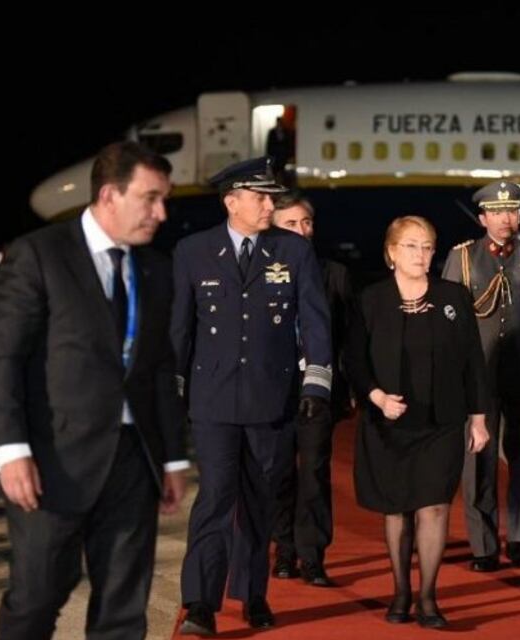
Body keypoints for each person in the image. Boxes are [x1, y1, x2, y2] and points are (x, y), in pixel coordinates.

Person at [0, 141, 187, 639]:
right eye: (151, 198)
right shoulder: (40, 255)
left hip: (134, 462)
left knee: (123, 606)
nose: (161, 213)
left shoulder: (155, 269)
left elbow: (159, 368)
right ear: (110, 195)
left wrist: (173, 457)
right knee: (36, 599)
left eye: (164, 200)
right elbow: (4, 357)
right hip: (53, 461)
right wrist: (10, 450)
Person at [172, 157, 332, 635]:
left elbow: (315, 319)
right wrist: (172, 393)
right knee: (216, 498)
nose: (270, 205)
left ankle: (253, 592)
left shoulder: (293, 250)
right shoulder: (193, 250)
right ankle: (200, 602)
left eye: (272, 197)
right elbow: (180, 328)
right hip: (213, 399)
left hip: (273, 398)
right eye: (260, 198)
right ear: (231, 202)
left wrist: (316, 382)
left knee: (260, 500)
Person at [346, 216, 489, 628]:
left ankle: (427, 596)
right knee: (397, 510)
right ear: (391, 252)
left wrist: (478, 419)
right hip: (389, 423)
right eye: (410, 246)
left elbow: (472, 362)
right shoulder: (371, 298)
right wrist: (375, 397)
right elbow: (354, 358)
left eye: (427, 246)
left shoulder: (454, 297)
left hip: (441, 422)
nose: (420, 255)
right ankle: (400, 590)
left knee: (435, 508)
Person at [442, 180, 520, 571]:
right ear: (483, 216)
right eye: (498, 211)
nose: (506, 219)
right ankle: (483, 544)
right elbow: (449, 319)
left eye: (512, 211)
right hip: (479, 376)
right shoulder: (464, 258)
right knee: (479, 460)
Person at [266, 192, 354, 585]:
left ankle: (313, 556)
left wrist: (349, 387)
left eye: (306, 223)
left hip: (317, 389)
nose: (302, 230)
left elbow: (348, 337)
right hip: (272, 390)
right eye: (291, 223)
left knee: (315, 472)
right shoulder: (260, 269)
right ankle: (283, 551)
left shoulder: (333, 273)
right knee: (279, 472)